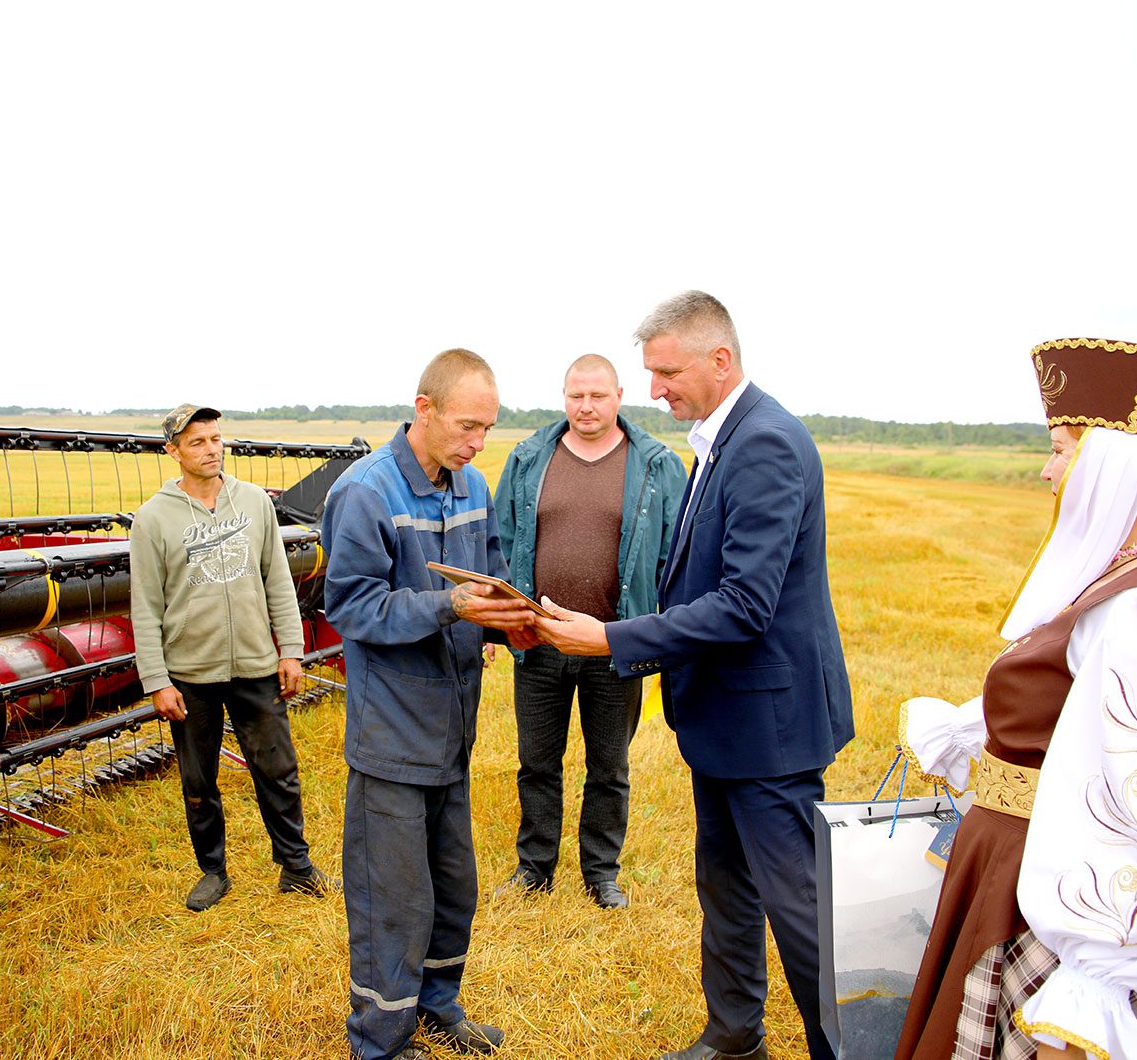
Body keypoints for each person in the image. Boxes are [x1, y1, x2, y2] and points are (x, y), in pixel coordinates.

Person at [536, 290, 853, 1060]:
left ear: (721, 358)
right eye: (651, 374)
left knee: (798, 911)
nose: (655, 390)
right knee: (726, 884)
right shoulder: (721, 439)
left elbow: (744, 606)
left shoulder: (765, 443)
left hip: (770, 728)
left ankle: (844, 1049)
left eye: (668, 373)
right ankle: (734, 1036)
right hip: (727, 721)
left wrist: (610, 638)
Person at [895, 339, 1137, 1060]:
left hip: (1061, 918)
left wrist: (1088, 1000)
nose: (1047, 470)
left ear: (1114, 464)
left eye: (1061, 450)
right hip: (1018, 880)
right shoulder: (1135, 580)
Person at [323, 349, 537, 1060]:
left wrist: (512, 618)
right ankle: (380, 1039)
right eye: (468, 426)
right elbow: (352, 607)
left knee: (453, 885)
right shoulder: (365, 492)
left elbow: (492, 573)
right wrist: (450, 605)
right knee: (393, 898)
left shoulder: (471, 484)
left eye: (488, 428)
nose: (479, 443)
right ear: (425, 408)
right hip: (391, 733)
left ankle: (439, 1004)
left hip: (452, 729)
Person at [493, 353, 687, 909]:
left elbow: (675, 558)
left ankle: (601, 874)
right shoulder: (528, 458)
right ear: (564, 396)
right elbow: (500, 544)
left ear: (619, 396)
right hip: (540, 641)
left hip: (614, 645)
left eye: (597, 395)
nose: (585, 406)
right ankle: (534, 868)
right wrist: (506, 624)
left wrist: (663, 636)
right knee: (537, 763)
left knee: (609, 767)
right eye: (576, 395)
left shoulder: (656, 465)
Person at [129, 403, 331, 912]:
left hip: (256, 665)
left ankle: (296, 866)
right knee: (199, 781)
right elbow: (145, 605)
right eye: (197, 442)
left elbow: (277, 581)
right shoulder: (153, 518)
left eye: (216, 439)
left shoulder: (254, 503)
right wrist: (157, 680)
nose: (211, 449)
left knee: (278, 769)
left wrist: (291, 651)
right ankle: (213, 872)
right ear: (172, 451)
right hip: (190, 672)